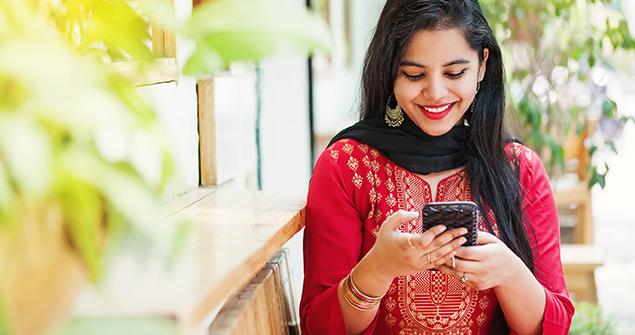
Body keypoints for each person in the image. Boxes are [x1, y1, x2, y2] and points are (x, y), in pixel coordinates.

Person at [299, 0, 575, 334]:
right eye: (414, 74)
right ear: (390, 71)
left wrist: (509, 274)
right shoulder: (346, 167)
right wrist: (376, 270)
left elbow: (554, 326)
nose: (435, 92)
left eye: (454, 72)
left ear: (482, 65)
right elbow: (317, 326)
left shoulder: (518, 169)